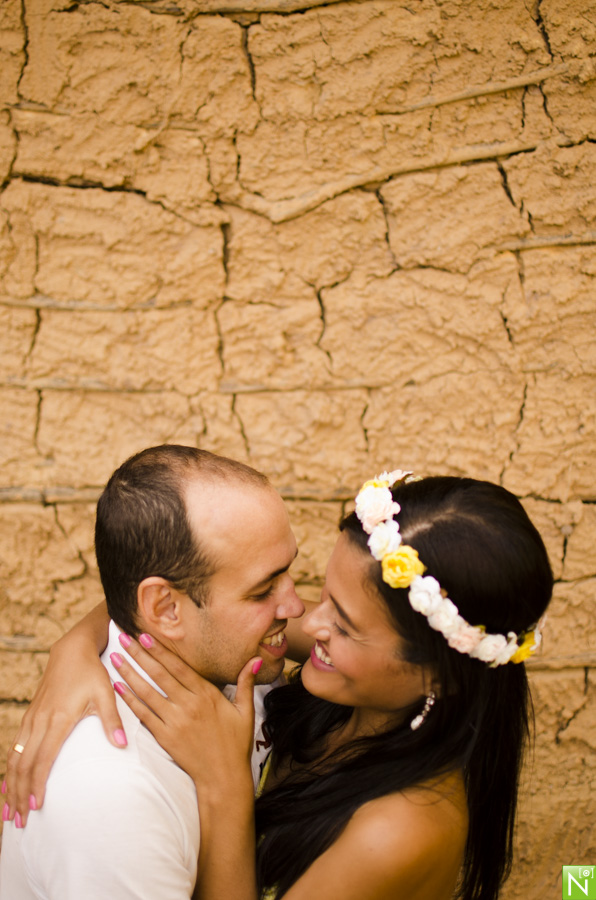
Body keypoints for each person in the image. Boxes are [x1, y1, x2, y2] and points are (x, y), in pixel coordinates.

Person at [3, 471, 552, 900]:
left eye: (344, 625)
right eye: (325, 596)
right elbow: (186, 603)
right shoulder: (356, 675)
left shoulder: (397, 830)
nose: (303, 619)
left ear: (440, 673)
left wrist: (223, 786)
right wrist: (75, 648)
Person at [0, 444, 305, 899]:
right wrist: (225, 790)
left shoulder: (236, 656)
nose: (297, 607)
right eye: (262, 591)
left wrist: (76, 640)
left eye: (288, 572)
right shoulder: (112, 797)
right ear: (165, 608)